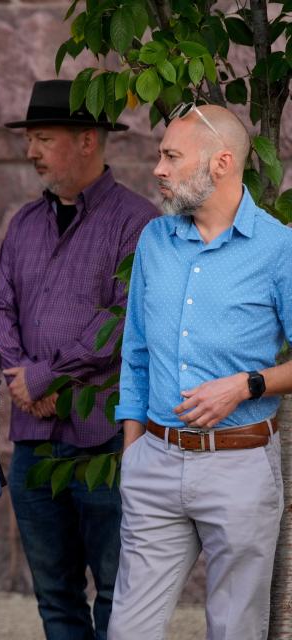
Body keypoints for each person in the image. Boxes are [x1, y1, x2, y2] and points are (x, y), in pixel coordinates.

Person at [0, 79, 158, 639]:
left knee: (114, 591)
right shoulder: (23, 225)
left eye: (43, 139)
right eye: (30, 139)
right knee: (54, 597)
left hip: (106, 438)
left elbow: (126, 320)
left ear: (88, 140)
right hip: (34, 439)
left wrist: (44, 374)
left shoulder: (138, 222)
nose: (30, 152)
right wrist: (25, 380)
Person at [110, 104, 292, 640]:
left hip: (240, 466)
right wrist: (133, 447)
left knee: (234, 629)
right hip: (156, 462)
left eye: (171, 156)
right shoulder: (154, 241)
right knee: (128, 630)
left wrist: (247, 385)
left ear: (222, 163)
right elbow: (135, 351)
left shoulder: (279, 248)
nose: (158, 169)